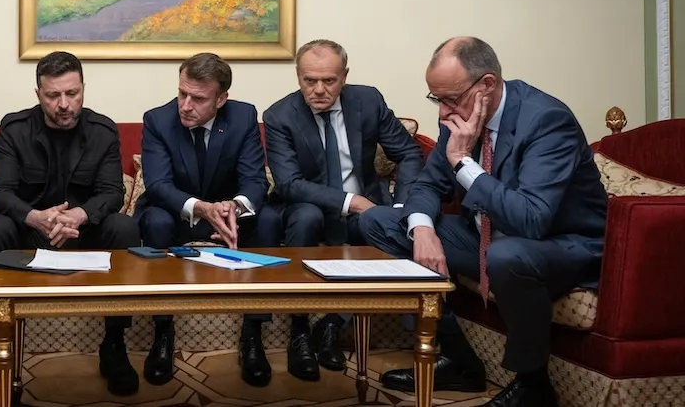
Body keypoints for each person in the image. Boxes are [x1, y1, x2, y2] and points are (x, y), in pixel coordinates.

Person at [360, 37, 607, 407]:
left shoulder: (546, 120)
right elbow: (427, 185)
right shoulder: (458, 118)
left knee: (506, 255)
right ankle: (459, 361)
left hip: (560, 244)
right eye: (436, 100)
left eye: (451, 99)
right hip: (487, 237)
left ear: (487, 84)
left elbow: (531, 218)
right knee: (379, 221)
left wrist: (463, 162)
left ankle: (533, 385)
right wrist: (422, 229)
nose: (443, 113)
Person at [0, 51, 141, 397]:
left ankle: (114, 345)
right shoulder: (15, 129)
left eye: (72, 93)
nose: (64, 104)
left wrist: (78, 215)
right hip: (30, 234)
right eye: (53, 95)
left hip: (83, 233)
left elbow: (112, 192)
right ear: (38, 95)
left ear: (83, 89)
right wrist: (36, 217)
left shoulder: (102, 131)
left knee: (124, 227)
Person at [262, 39, 424, 381]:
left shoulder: (368, 101)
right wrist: (351, 201)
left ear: (345, 76)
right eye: (309, 80)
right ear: (298, 76)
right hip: (309, 207)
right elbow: (289, 183)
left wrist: (400, 206)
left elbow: (408, 153)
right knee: (307, 218)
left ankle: (332, 324)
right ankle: (299, 333)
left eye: (329, 80)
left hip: (366, 209)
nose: (318, 90)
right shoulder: (279, 115)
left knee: (382, 225)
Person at [134, 52, 278, 388]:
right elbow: (158, 185)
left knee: (269, 220)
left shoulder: (243, 117)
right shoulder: (158, 120)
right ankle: (163, 331)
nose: (185, 106)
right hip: (177, 212)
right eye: (182, 93)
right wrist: (201, 208)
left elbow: (255, 180)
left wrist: (234, 207)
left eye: (197, 99)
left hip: (227, 214)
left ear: (220, 99)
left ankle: (253, 333)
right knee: (155, 221)